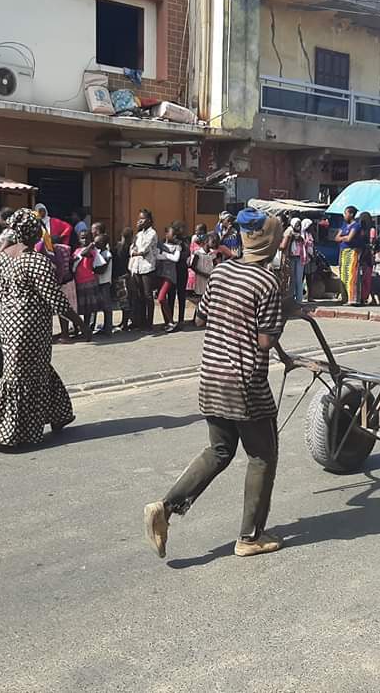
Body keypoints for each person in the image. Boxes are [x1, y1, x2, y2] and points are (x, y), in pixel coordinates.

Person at [144, 213, 285, 559]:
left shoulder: (222, 271)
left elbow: (200, 317)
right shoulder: (268, 283)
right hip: (244, 383)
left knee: (219, 450)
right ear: (270, 242)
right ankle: (249, 537)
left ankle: (165, 507)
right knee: (262, 456)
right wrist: (282, 316)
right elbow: (265, 341)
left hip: (212, 377)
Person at [0, 209, 86, 450]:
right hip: (28, 328)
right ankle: (9, 434)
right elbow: (56, 300)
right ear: (33, 232)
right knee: (21, 377)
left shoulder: (2, 255)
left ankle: (59, 414)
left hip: (3, 324)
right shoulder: (35, 260)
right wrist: (80, 324)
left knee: (35, 370)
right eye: (38, 227)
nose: (42, 230)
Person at [128, 209, 158, 331]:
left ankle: (149, 323)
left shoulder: (152, 233)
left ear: (149, 221)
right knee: (139, 295)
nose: (139, 221)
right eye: (138, 219)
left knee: (147, 295)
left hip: (147, 267)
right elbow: (132, 248)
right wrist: (134, 252)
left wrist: (136, 252)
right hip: (136, 267)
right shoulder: (138, 235)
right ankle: (140, 321)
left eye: (142, 219)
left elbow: (144, 249)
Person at [72, 228, 101, 336]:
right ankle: (79, 328)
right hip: (78, 282)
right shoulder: (76, 251)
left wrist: (91, 245)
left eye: (87, 238)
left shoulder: (92, 251)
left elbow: (85, 254)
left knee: (89, 308)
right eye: (82, 238)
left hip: (89, 281)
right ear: (79, 239)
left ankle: (87, 328)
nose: (84, 240)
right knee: (79, 307)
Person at [335, 206, 365, 305]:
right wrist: (345, 237)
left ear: (351, 214)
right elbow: (336, 238)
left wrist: (343, 238)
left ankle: (353, 299)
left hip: (353, 252)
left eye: (346, 213)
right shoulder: (344, 225)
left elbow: (349, 239)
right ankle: (345, 297)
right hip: (343, 252)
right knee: (343, 275)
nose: (344, 215)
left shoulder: (356, 226)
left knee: (352, 275)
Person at [90, 222, 114, 336]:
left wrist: (92, 269)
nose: (95, 243)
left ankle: (108, 328)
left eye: (98, 242)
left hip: (104, 282)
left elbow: (102, 269)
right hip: (97, 282)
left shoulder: (107, 254)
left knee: (106, 306)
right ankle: (91, 326)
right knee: (95, 306)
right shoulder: (98, 251)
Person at [113, 227, 134, 332]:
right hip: (125, 275)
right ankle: (125, 322)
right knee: (125, 301)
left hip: (119, 277)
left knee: (123, 302)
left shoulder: (117, 247)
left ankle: (124, 323)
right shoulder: (129, 248)